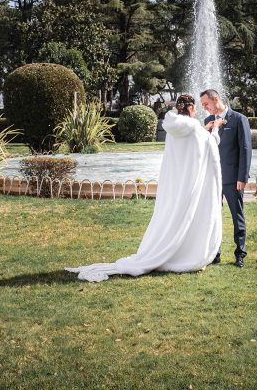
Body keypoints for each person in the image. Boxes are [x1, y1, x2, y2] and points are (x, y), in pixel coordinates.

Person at [66, 94, 223, 282]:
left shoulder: (173, 128)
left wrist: (205, 131)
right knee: (186, 217)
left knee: (171, 217)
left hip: (175, 184)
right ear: (191, 109)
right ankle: (182, 253)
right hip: (188, 185)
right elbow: (209, 145)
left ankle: (167, 248)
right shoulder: (196, 130)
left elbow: (188, 147)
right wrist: (214, 131)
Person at [200, 89, 252, 268]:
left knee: (237, 216)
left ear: (216, 100)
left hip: (233, 178)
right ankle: (215, 253)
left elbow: (245, 149)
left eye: (206, 104)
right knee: (213, 216)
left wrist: (242, 176)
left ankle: (240, 254)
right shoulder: (208, 122)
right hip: (213, 179)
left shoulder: (238, 119)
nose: (205, 108)